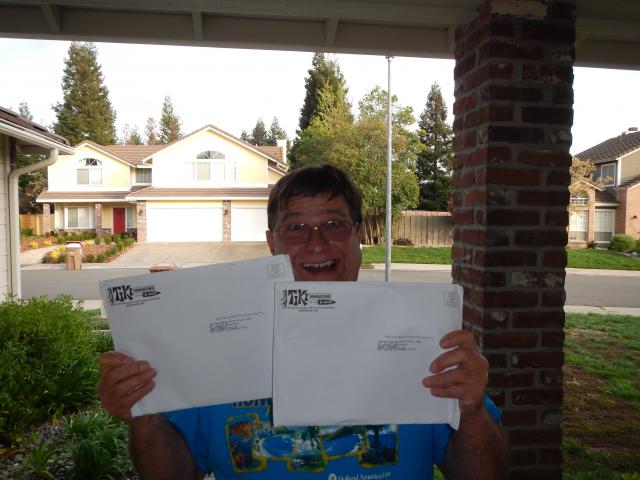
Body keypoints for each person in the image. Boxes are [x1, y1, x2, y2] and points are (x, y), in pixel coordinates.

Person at [99, 164, 509, 479]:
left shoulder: (422, 335)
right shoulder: (210, 345)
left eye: (333, 224)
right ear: (272, 242)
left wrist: (471, 411)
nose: (316, 242)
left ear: (358, 236)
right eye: (296, 228)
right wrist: (145, 412)